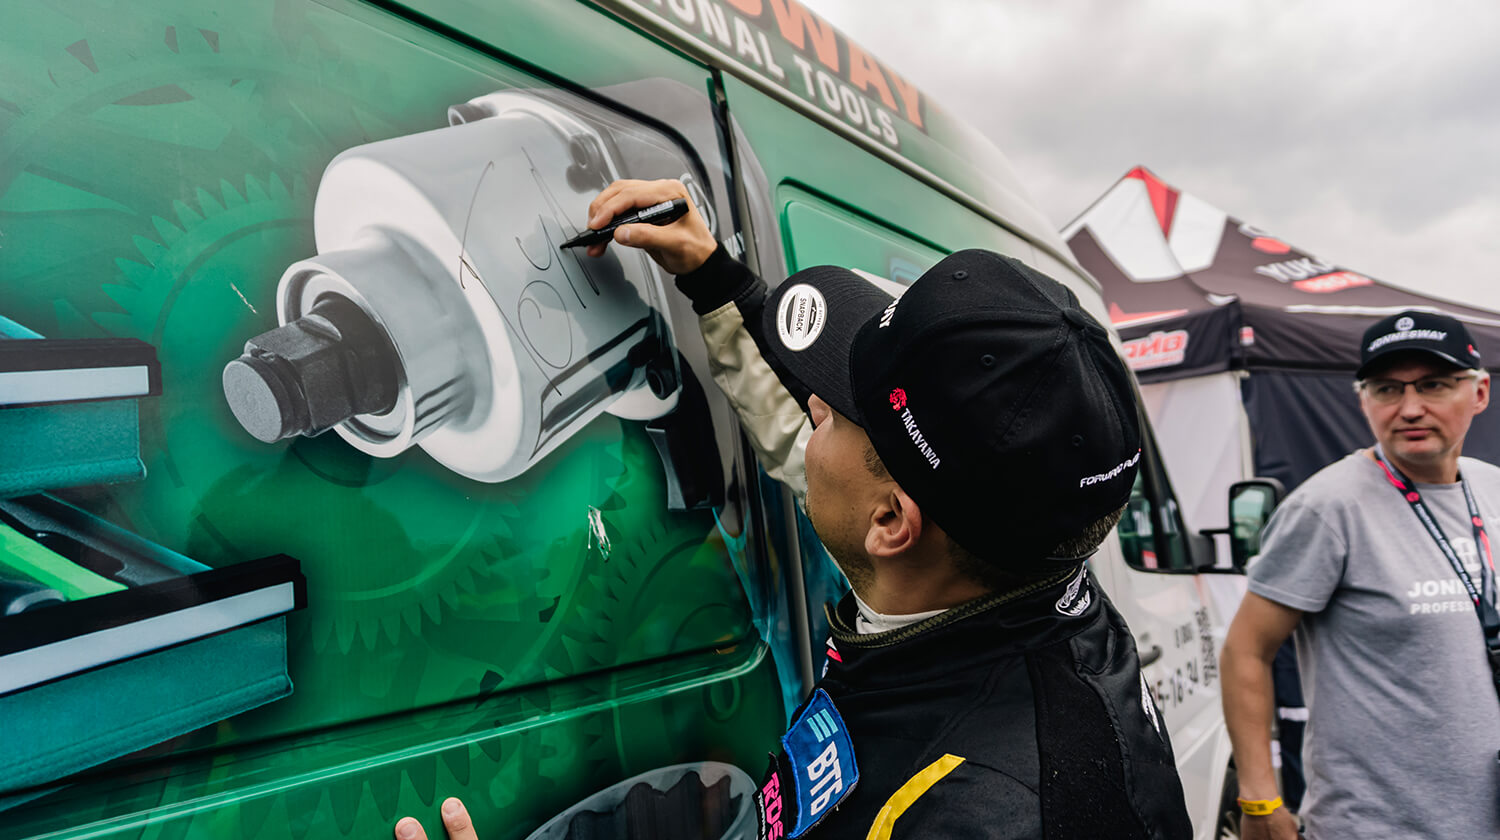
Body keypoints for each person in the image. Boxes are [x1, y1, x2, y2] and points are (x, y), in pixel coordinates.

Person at [396, 180, 1193, 840]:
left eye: (835, 413)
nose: (809, 407)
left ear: (891, 525)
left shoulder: (980, 810)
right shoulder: (1018, 574)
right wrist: (715, 277)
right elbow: (828, 451)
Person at [1220, 309, 1499, 840]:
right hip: (1377, 825)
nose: (1410, 408)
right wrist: (1260, 800)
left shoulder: (1493, 489)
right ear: (1363, 400)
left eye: (1434, 385)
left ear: (1479, 392)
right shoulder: (1328, 508)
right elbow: (1246, 651)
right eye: (1387, 389)